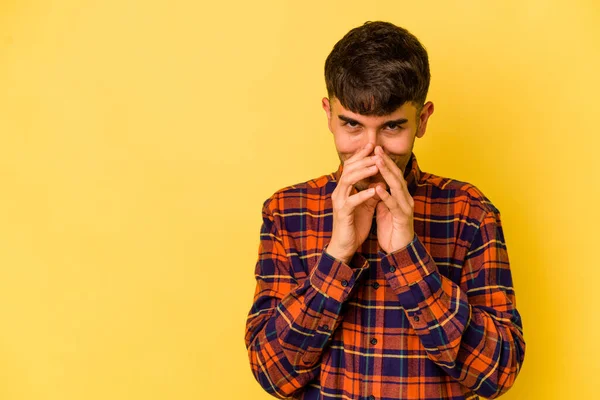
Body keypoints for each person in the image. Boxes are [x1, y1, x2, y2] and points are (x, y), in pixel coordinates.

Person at [244, 21, 525, 400]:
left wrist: (409, 258)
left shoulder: (469, 214)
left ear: (422, 120)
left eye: (392, 127)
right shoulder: (287, 212)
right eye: (352, 126)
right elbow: (272, 374)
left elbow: (498, 374)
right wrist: (336, 257)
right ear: (329, 114)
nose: (371, 152)